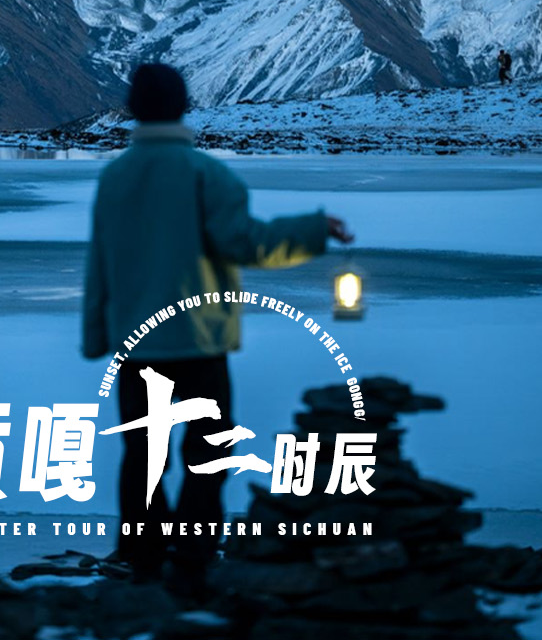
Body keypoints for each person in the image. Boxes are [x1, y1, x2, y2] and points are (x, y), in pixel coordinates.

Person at [82, 62, 354, 592]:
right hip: (198, 340)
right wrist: (313, 229)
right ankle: (192, 561)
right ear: (184, 106)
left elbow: (101, 264)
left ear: (134, 109)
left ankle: (142, 560)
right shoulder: (206, 175)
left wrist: (97, 334)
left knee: (143, 456)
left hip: (137, 348)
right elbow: (244, 243)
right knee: (207, 456)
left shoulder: (114, 177)